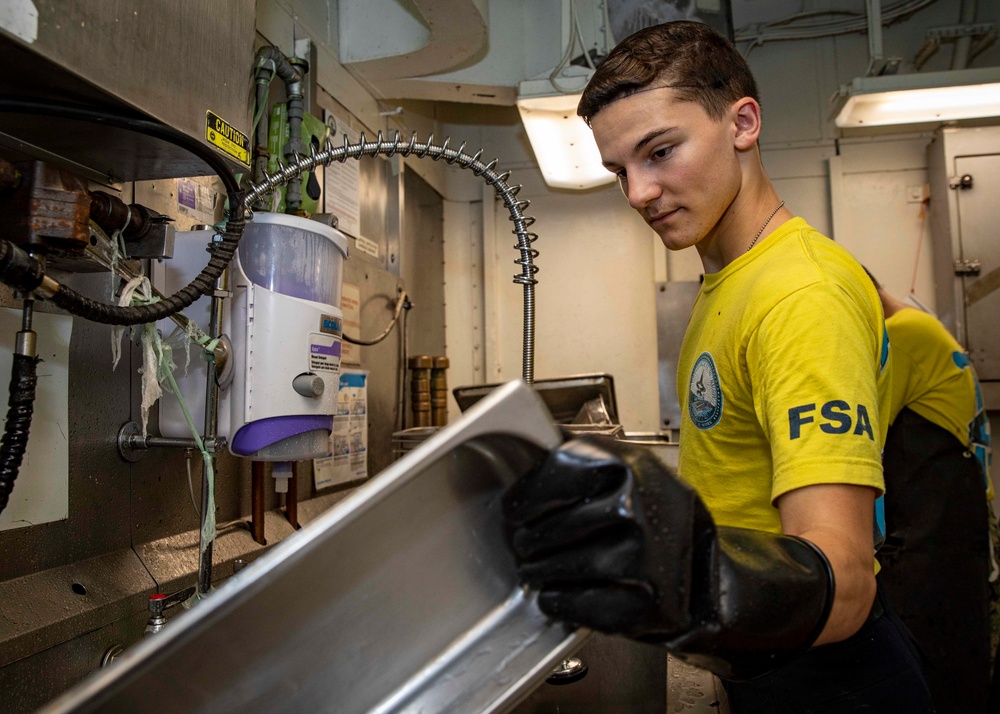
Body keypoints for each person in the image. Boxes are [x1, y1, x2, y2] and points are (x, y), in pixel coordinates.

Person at [503, 21, 934, 713]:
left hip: (835, 680)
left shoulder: (801, 292)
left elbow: (847, 583)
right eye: (620, 171)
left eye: (661, 151)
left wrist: (692, 576)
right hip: (768, 663)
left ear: (742, 122)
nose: (640, 193)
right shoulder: (732, 282)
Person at [868, 273, 993, 713]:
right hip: (956, 527)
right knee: (960, 660)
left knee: (931, 674)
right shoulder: (922, 324)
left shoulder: (899, 335)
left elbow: (864, 440)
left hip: (933, 541)